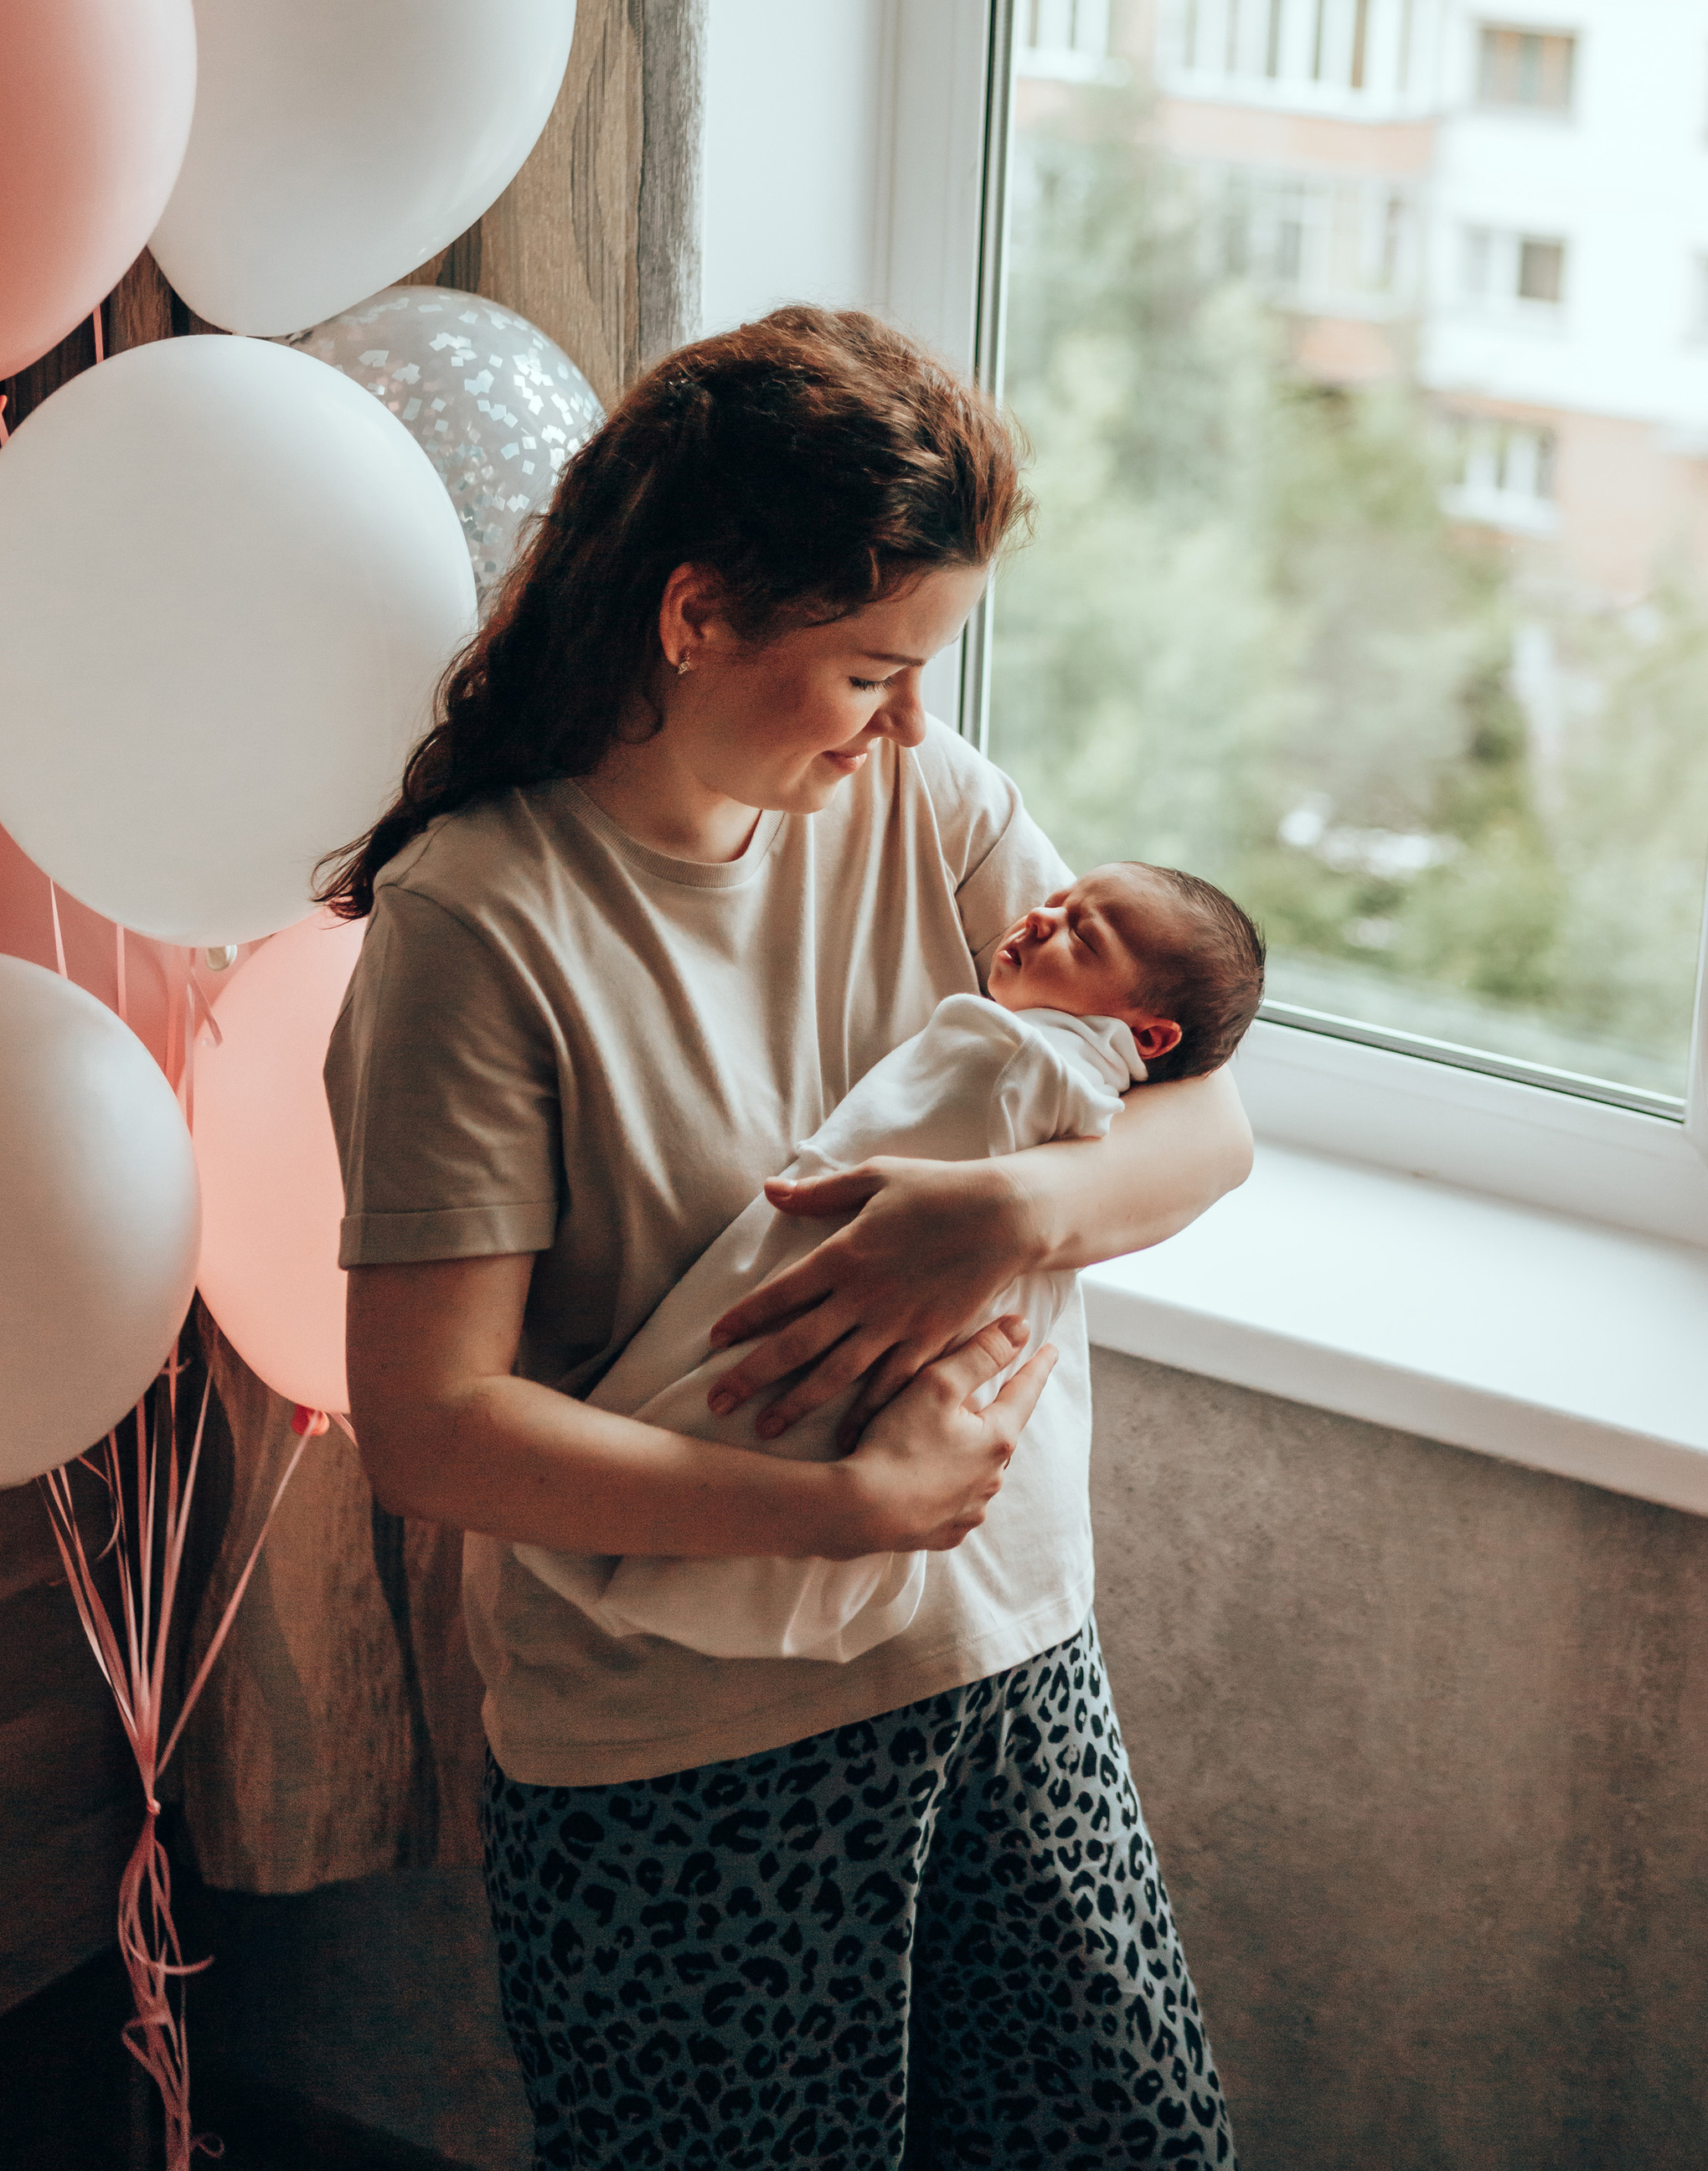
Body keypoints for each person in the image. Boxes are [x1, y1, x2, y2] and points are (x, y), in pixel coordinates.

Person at [323, 306, 1253, 2171]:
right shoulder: (481, 929)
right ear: (691, 618)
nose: (908, 722)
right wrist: (844, 1508)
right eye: (864, 672)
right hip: (683, 1770)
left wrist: (992, 1218)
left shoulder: (930, 806)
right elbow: (432, 1429)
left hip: (1004, 1669)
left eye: (925, 667)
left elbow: (1202, 1124)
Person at [515, 861, 1266, 1663]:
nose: (1042, 917)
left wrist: (1012, 1207)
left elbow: (1223, 1133)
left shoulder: (1021, 1061)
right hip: (939, 1597)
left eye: (1081, 934)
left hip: (1012, 1614)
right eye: (1054, 901)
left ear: (1148, 1038)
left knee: (751, 1383)